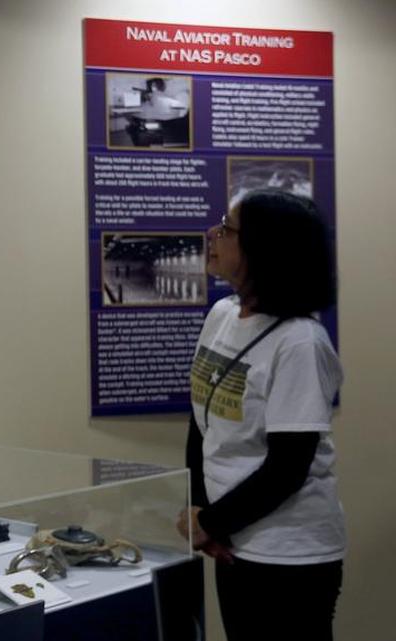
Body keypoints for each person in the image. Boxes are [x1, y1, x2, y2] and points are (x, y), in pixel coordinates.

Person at [179, 189, 345, 641]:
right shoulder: (221, 315)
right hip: (233, 539)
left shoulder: (300, 342)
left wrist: (209, 524)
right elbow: (202, 422)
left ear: (264, 251)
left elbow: (288, 467)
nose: (213, 235)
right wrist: (201, 511)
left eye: (228, 230)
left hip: (289, 555)